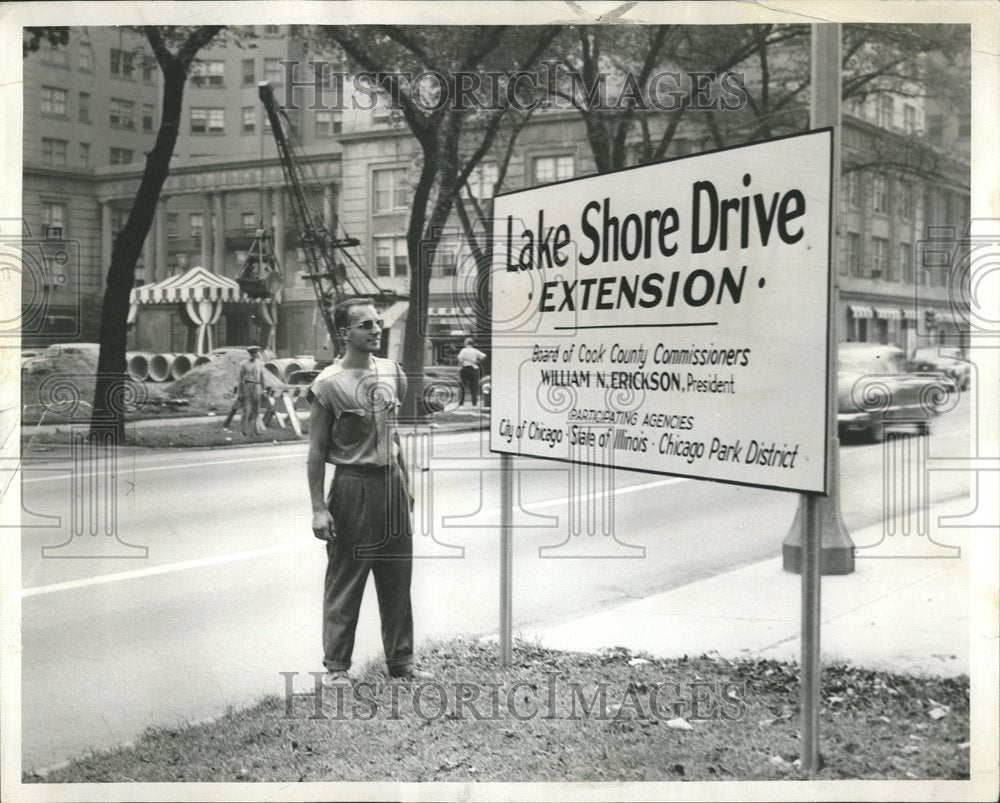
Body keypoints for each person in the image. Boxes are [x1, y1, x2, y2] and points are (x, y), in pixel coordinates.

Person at [307, 298, 432, 688]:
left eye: (377, 322)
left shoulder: (393, 372)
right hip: (353, 486)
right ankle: (337, 668)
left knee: (397, 576)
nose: (376, 329)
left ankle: (402, 661)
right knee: (347, 577)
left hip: (390, 482)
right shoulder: (328, 385)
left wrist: (406, 486)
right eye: (365, 325)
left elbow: (394, 436)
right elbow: (315, 452)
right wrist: (318, 509)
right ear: (344, 334)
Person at [237, 346, 265, 436]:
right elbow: (240, 380)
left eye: (255, 353)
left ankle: (256, 430)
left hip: (257, 385)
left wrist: (264, 390)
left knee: (256, 409)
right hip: (247, 386)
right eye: (252, 353)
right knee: (246, 408)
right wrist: (240, 392)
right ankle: (244, 430)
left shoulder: (260, 364)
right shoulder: (243, 364)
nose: (254, 355)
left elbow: (262, 377)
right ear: (249, 354)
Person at [456, 337, 486, 407]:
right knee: (474, 386)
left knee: (463, 386)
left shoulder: (463, 350)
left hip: (465, 369)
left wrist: (459, 368)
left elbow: (460, 360)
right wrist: (477, 361)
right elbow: (483, 356)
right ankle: (474, 402)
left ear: (466, 343)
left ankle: (461, 402)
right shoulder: (475, 350)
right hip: (474, 369)